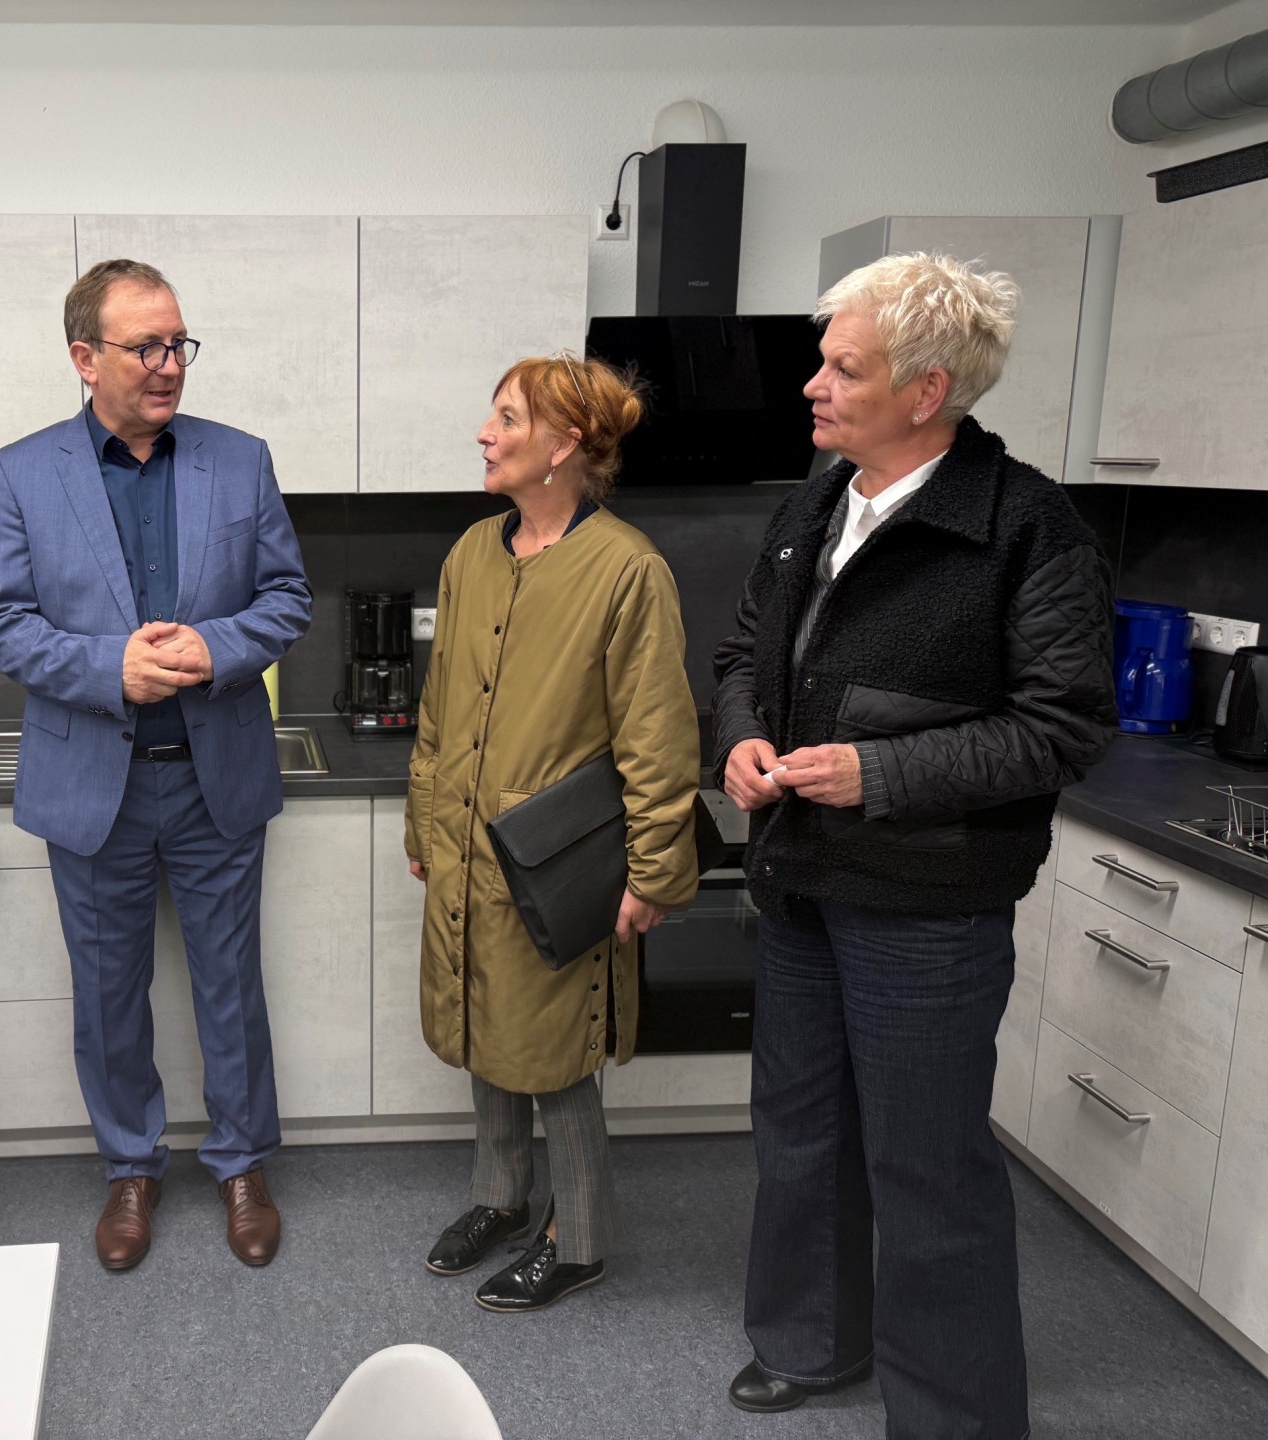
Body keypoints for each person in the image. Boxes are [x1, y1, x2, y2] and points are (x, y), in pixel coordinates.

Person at [712, 254, 1117, 1433]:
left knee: (929, 1175)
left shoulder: (1027, 528)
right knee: (798, 1139)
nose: (812, 387)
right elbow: (742, 657)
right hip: (801, 883)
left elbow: (1063, 727)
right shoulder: (814, 503)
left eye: (843, 367)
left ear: (927, 390)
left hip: (929, 912)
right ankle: (810, 1342)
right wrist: (742, 740)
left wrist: (877, 772)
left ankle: (955, 1416)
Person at [0, 259, 312, 1271]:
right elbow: (1, 626)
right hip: (93, 788)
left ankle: (242, 1161)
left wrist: (218, 649)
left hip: (215, 778)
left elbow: (287, 601)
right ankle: (131, 1167)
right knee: (108, 992)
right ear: (86, 358)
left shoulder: (240, 461)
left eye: (179, 345)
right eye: (146, 348)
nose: (169, 366)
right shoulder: (24, 472)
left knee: (229, 986)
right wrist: (108, 665)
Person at [405, 354, 699, 1314]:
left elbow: (658, 740)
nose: (485, 435)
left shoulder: (627, 571)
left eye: (505, 419)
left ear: (565, 444)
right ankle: (500, 1195)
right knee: (487, 1028)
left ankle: (580, 1238)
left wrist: (654, 871)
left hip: (564, 865)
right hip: (469, 853)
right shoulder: (470, 557)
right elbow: (440, 710)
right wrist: (425, 820)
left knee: (558, 1053)